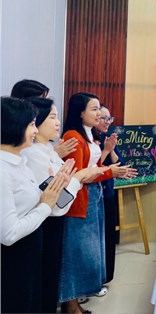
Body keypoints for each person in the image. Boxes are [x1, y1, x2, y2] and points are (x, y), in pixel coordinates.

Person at [22, 97, 106, 313]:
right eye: (52, 117)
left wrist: (75, 177)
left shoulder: (49, 149)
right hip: (47, 220)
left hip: (56, 215)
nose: (57, 122)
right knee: (49, 275)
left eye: (57, 116)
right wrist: (79, 177)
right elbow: (57, 200)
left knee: (52, 273)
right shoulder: (36, 153)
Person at [58, 92, 135, 314]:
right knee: (77, 252)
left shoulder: (89, 134)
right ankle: (71, 304)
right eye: (94, 109)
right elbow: (80, 174)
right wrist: (110, 171)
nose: (99, 114)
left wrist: (110, 168)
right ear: (80, 112)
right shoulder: (73, 136)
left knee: (90, 250)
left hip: (94, 195)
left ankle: (75, 302)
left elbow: (94, 167)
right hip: (80, 199)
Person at [0, 97, 70, 314]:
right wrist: (45, 206)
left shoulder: (20, 162)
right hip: (13, 258)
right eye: (31, 124)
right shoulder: (3, 171)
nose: (35, 130)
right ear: (14, 126)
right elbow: (8, 234)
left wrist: (57, 188)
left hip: (30, 249)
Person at [10, 79, 78, 159]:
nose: (46, 104)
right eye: (42, 100)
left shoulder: (44, 142)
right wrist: (54, 155)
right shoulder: (28, 149)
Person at [96, 104, 123, 291]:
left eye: (109, 118)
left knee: (108, 238)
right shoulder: (89, 139)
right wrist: (105, 150)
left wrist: (111, 149)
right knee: (99, 240)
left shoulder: (106, 138)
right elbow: (91, 167)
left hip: (108, 193)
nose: (107, 122)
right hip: (97, 196)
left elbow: (120, 164)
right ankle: (96, 280)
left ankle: (105, 277)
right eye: (103, 118)